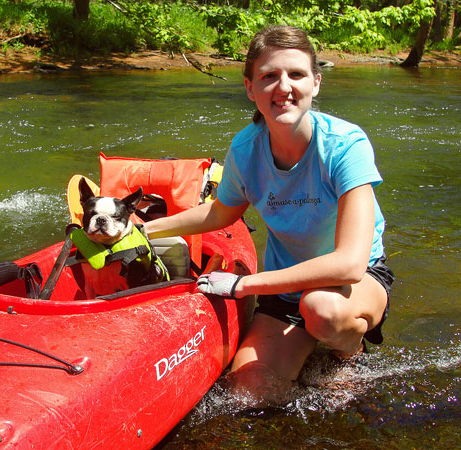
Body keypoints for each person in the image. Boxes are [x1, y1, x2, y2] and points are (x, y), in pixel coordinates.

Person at [144, 25, 394, 404]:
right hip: (285, 289)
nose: (283, 87)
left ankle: (349, 349)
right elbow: (219, 213)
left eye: (296, 74)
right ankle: (308, 339)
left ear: (316, 82)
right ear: (250, 88)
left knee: (321, 309)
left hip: (350, 287)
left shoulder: (346, 146)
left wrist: (242, 286)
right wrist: (145, 229)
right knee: (251, 390)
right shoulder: (246, 148)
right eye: (269, 76)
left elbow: (349, 265)